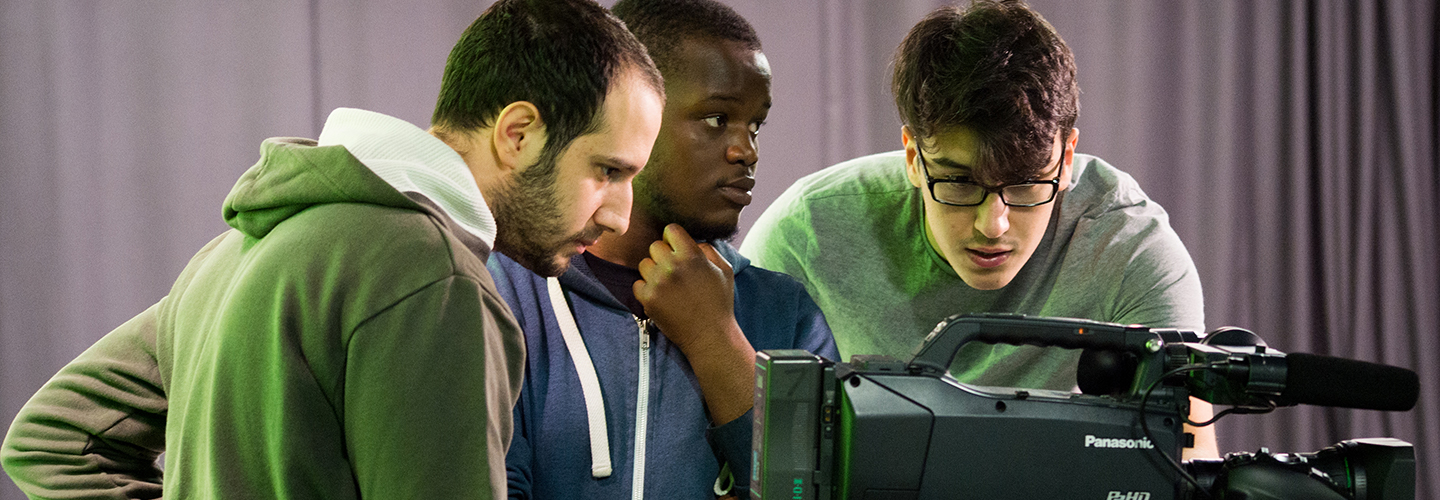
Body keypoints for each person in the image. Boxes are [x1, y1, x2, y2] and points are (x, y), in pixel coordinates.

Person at [0, 0, 664, 498]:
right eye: (607, 171)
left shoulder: (235, 253)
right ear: (517, 133)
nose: (620, 212)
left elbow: (54, 439)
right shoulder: (432, 278)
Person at [739, 0, 1217, 458]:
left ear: (1067, 157)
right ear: (912, 156)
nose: (994, 225)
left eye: (1028, 184)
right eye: (960, 182)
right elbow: (743, 455)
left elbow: (1184, 462)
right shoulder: (808, 233)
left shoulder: (1130, 250)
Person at [496, 0, 836, 498]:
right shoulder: (506, 288)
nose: (747, 150)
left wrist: (715, 339)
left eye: (755, 124)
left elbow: (810, 490)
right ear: (635, 114)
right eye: (717, 119)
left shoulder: (786, 315)